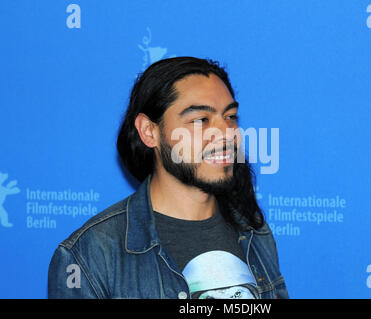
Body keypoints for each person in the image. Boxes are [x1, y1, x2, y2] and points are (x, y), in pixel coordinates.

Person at [48, 56, 289, 299]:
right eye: (200, 120)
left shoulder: (253, 230)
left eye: (230, 117)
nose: (226, 134)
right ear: (149, 131)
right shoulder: (91, 254)